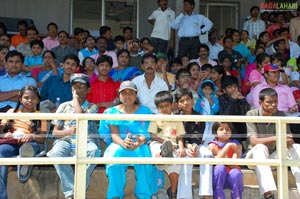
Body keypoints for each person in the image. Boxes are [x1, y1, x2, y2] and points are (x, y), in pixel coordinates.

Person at [99, 80, 156, 199]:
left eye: (131, 93)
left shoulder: (145, 111)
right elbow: (114, 135)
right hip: (119, 143)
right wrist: (123, 143)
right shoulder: (111, 112)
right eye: (124, 93)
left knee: (144, 160)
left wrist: (140, 141)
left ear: (136, 95)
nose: (127, 96)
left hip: (140, 143)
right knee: (114, 160)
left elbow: (149, 132)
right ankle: (115, 195)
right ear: (119, 95)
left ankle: (144, 195)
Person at [47, 73, 101, 199]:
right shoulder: (63, 106)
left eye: (82, 86)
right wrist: (68, 132)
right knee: (56, 153)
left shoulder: (92, 107)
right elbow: (55, 132)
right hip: (65, 140)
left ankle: (79, 189)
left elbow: (80, 114)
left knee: (93, 152)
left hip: (86, 140)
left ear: (88, 90)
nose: (78, 89)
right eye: (75, 86)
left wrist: (75, 98)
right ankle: (72, 193)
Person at [245, 88, 300, 199]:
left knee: (297, 147)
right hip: (254, 158)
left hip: (274, 156)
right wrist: (277, 138)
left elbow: (289, 139)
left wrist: (289, 143)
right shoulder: (251, 114)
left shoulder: (281, 115)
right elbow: (253, 141)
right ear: (260, 103)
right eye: (269, 102)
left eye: (276, 101)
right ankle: (268, 194)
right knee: (260, 147)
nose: (273, 105)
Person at [0, 85, 47, 199]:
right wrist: (5, 134)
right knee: (1, 153)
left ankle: (25, 158)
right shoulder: (12, 112)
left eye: (33, 98)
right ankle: (2, 196)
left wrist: (30, 135)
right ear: (20, 99)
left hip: (30, 142)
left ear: (38, 100)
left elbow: (42, 137)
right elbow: (1, 129)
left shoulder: (42, 116)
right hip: (12, 142)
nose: (30, 100)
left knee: (29, 147)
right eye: (26, 97)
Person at [174, 88, 213, 199]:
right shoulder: (175, 116)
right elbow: (178, 135)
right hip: (181, 146)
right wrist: (187, 145)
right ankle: (184, 197)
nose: (186, 103)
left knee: (206, 154)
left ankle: (206, 195)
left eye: (188, 99)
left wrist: (195, 145)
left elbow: (198, 134)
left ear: (193, 100)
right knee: (185, 157)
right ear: (177, 104)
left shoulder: (199, 116)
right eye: (182, 101)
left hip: (196, 145)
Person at [148, 91, 186, 199]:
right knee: (156, 149)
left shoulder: (177, 119)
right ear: (157, 108)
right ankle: (161, 157)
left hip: (173, 145)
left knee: (176, 160)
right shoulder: (155, 118)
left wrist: (182, 148)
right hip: (158, 142)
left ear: (172, 105)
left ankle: (173, 192)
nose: (164, 109)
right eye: (161, 107)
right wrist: (164, 142)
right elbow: (152, 136)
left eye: (167, 106)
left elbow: (179, 136)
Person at [208, 122, 243, 199]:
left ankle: (237, 196)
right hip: (219, 178)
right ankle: (219, 196)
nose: (225, 131)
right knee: (219, 168)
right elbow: (216, 162)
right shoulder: (212, 145)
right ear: (215, 133)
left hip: (232, 178)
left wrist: (220, 151)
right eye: (221, 129)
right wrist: (228, 147)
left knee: (236, 172)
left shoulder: (236, 144)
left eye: (227, 129)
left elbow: (234, 165)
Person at [219, 75, 250, 143]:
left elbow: (246, 116)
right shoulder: (222, 98)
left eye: (235, 86)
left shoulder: (241, 98)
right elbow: (225, 118)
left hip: (242, 129)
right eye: (229, 87)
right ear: (224, 90)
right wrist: (233, 99)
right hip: (229, 129)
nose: (233, 89)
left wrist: (243, 101)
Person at [195, 80, 219, 145]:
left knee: (211, 134)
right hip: (202, 121)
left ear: (212, 90)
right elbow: (196, 111)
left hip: (212, 121)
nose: (207, 91)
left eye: (209, 89)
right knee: (203, 134)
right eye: (205, 89)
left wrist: (210, 100)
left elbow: (216, 110)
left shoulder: (215, 100)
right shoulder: (199, 101)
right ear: (202, 90)